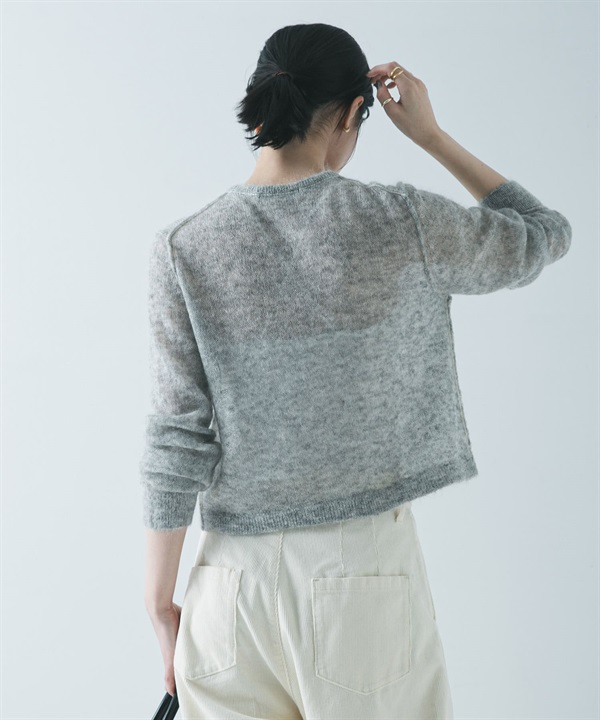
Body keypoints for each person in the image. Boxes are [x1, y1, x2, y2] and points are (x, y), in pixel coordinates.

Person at [140, 23, 572, 720]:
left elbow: (176, 434)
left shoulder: (182, 248)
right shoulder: (398, 219)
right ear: (350, 114)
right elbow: (542, 232)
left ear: (262, 105)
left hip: (226, 586)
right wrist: (430, 136)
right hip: (358, 580)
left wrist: (160, 603)